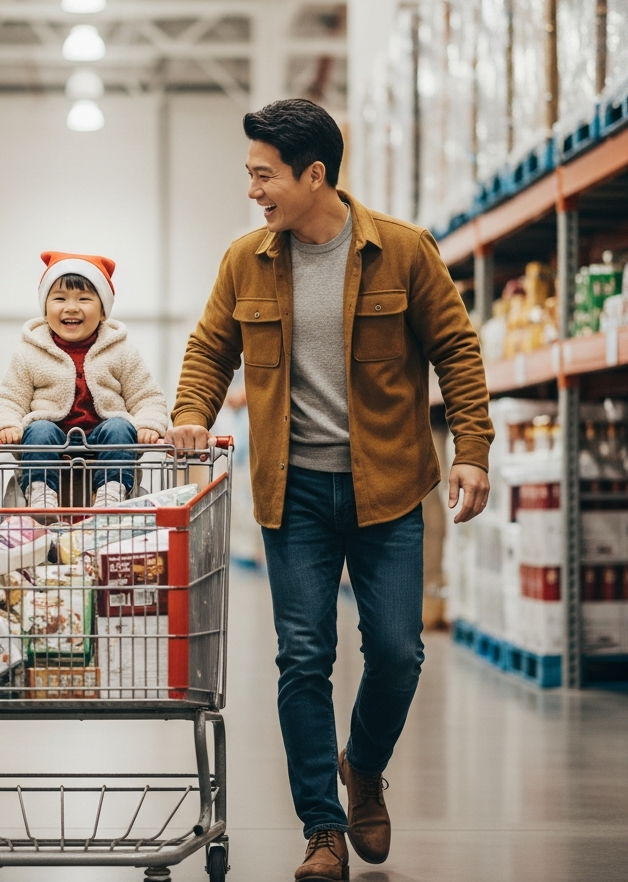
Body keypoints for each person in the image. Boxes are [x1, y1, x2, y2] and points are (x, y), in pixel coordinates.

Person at [165, 100, 492, 881]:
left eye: (263, 175)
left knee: (397, 653)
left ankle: (364, 767)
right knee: (302, 658)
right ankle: (322, 829)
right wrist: (187, 414)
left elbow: (459, 351)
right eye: (250, 174)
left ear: (315, 175)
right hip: (295, 493)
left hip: (387, 487)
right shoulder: (247, 260)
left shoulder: (404, 253)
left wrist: (473, 450)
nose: (253, 189)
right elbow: (211, 348)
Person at [0, 251, 168, 507]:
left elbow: (147, 396)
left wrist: (149, 424)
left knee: (120, 426)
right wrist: (7, 424)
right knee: (39, 429)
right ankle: (40, 495)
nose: (71, 307)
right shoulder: (29, 352)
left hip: (103, 441)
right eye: (59, 298)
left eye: (84, 299)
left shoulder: (121, 350)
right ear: (45, 309)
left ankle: (111, 492)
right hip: (51, 442)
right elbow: (9, 397)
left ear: (103, 311)